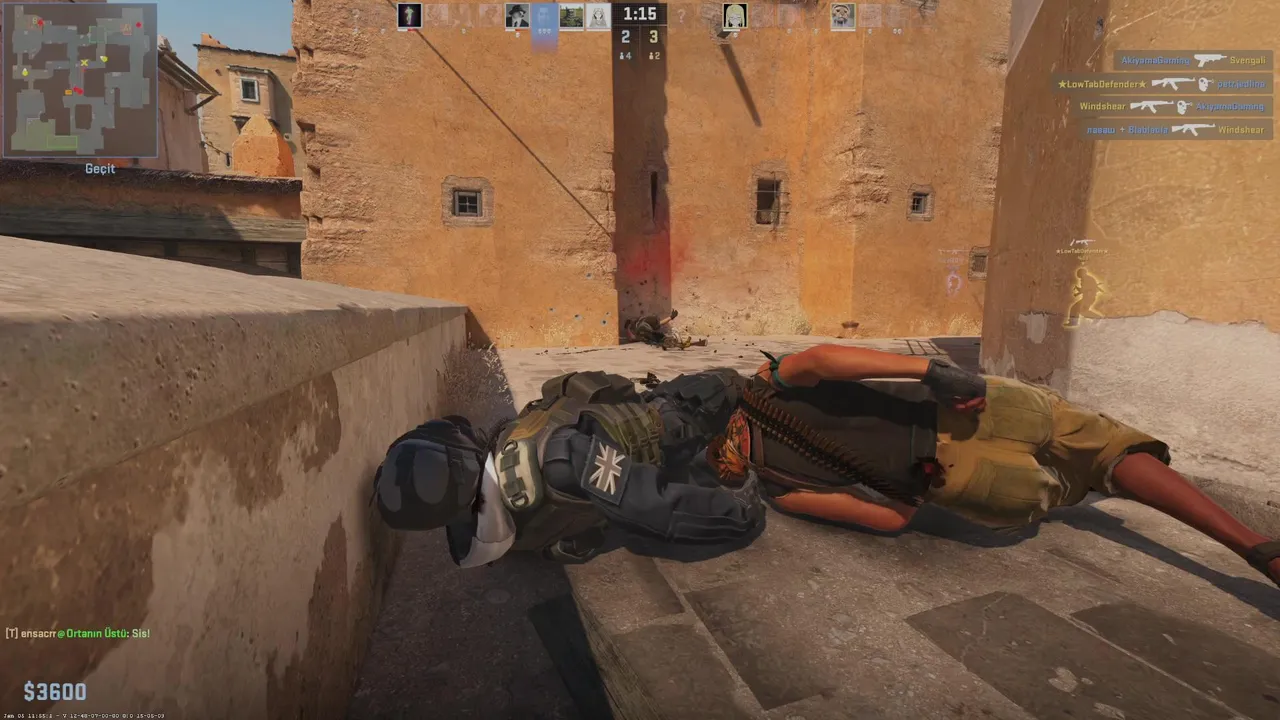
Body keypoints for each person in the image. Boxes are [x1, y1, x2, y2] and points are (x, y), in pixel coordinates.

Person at [699, 344, 1280, 588]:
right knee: (1108, 447)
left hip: (974, 485)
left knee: (1077, 482)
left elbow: (893, 518)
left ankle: (1098, 483)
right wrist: (934, 373)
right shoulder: (766, 386)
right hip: (967, 407)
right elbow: (825, 358)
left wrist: (910, 479)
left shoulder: (782, 492)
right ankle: (1251, 544)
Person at [372, 369, 761, 567]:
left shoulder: (488, 523)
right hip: (670, 428)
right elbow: (655, 504)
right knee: (732, 385)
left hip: (634, 423)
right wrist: (739, 513)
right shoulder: (557, 457)